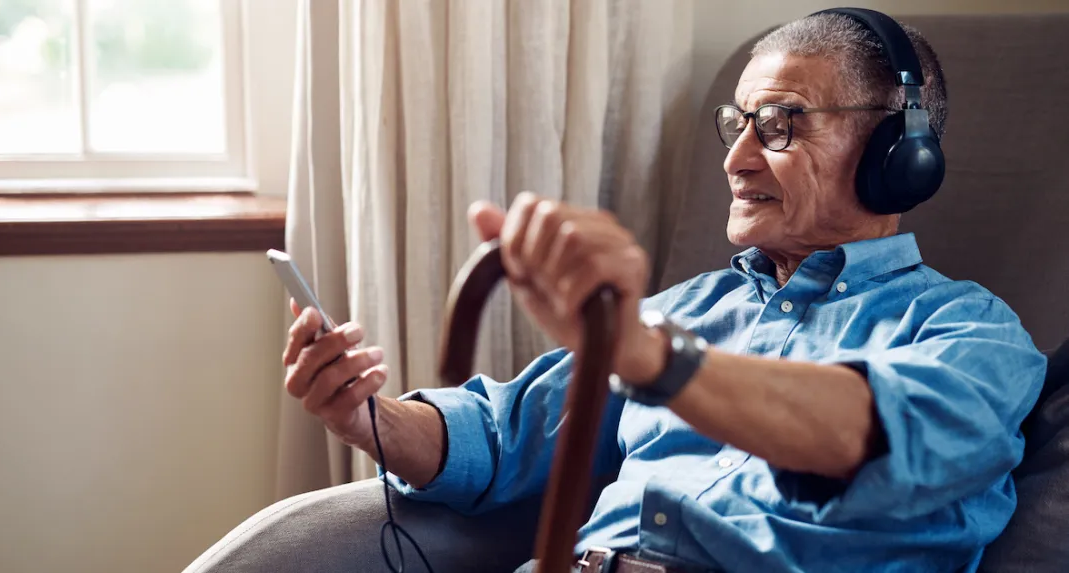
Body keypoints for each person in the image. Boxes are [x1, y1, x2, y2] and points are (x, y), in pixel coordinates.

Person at [278, 9, 1046, 573]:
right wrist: (366, 414)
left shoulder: (973, 336)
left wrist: (656, 361)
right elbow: (502, 435)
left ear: (898, 153)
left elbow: (861, 437)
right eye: (736, 124)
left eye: (779, 125)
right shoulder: (681, 311)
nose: (737, 160)